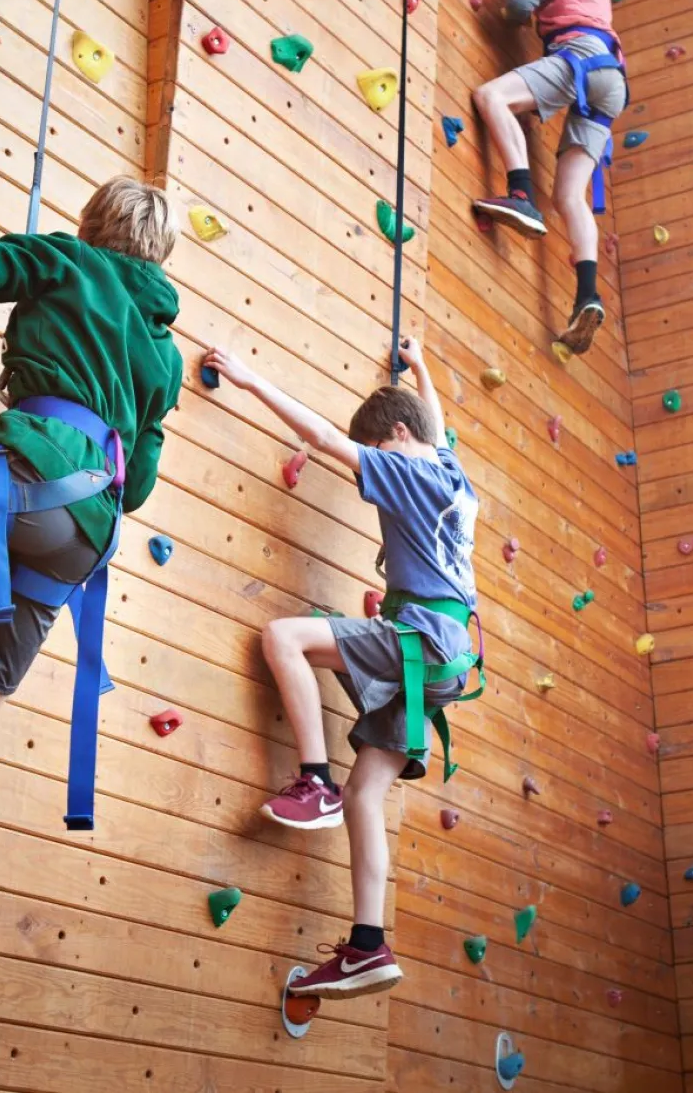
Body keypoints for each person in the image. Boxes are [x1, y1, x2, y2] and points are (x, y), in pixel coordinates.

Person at [0, 152, 183, 1004]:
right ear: (158, 256)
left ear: (92, 226)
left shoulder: (65, 260)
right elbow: (140, 484)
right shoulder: (163, 356)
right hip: (82, 539)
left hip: (30, 476)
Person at [203, 338, 479, 1000]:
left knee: (284, 637)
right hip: (445, 662)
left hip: (421, 640)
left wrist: (249, 379)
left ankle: (315, 780)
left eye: (376, 450)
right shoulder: (452, 474)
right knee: (367, 798)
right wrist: (421, 368)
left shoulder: (408, 471)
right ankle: (366, 945)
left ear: (397, 436)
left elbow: (326, 438)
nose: (370, 469)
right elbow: (434, 425)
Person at [472, 0, 628, 355]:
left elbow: (518, 5)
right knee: (570, 197)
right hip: (612, 80)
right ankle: (587, 295)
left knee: (491, 97)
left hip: (579, 59)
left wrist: (519, 12)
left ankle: (521, 192)